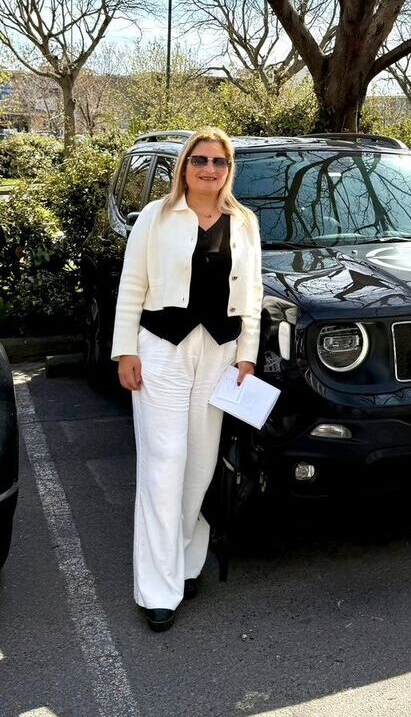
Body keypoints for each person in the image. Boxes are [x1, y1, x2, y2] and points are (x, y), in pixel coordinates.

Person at [111, 126, 263, 632]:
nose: (209, 169)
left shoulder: (245, 222)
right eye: (200, 159)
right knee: (163, 464)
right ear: (184, 165)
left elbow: (252, 296)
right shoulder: (155, 216)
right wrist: (126, 350)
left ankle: (184, 556)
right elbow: (132, 285)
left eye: (219, 161)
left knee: (199, 466)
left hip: (219, 354)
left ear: (229, 169)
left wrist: (247, 356)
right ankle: (158, 589)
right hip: (161, 352)